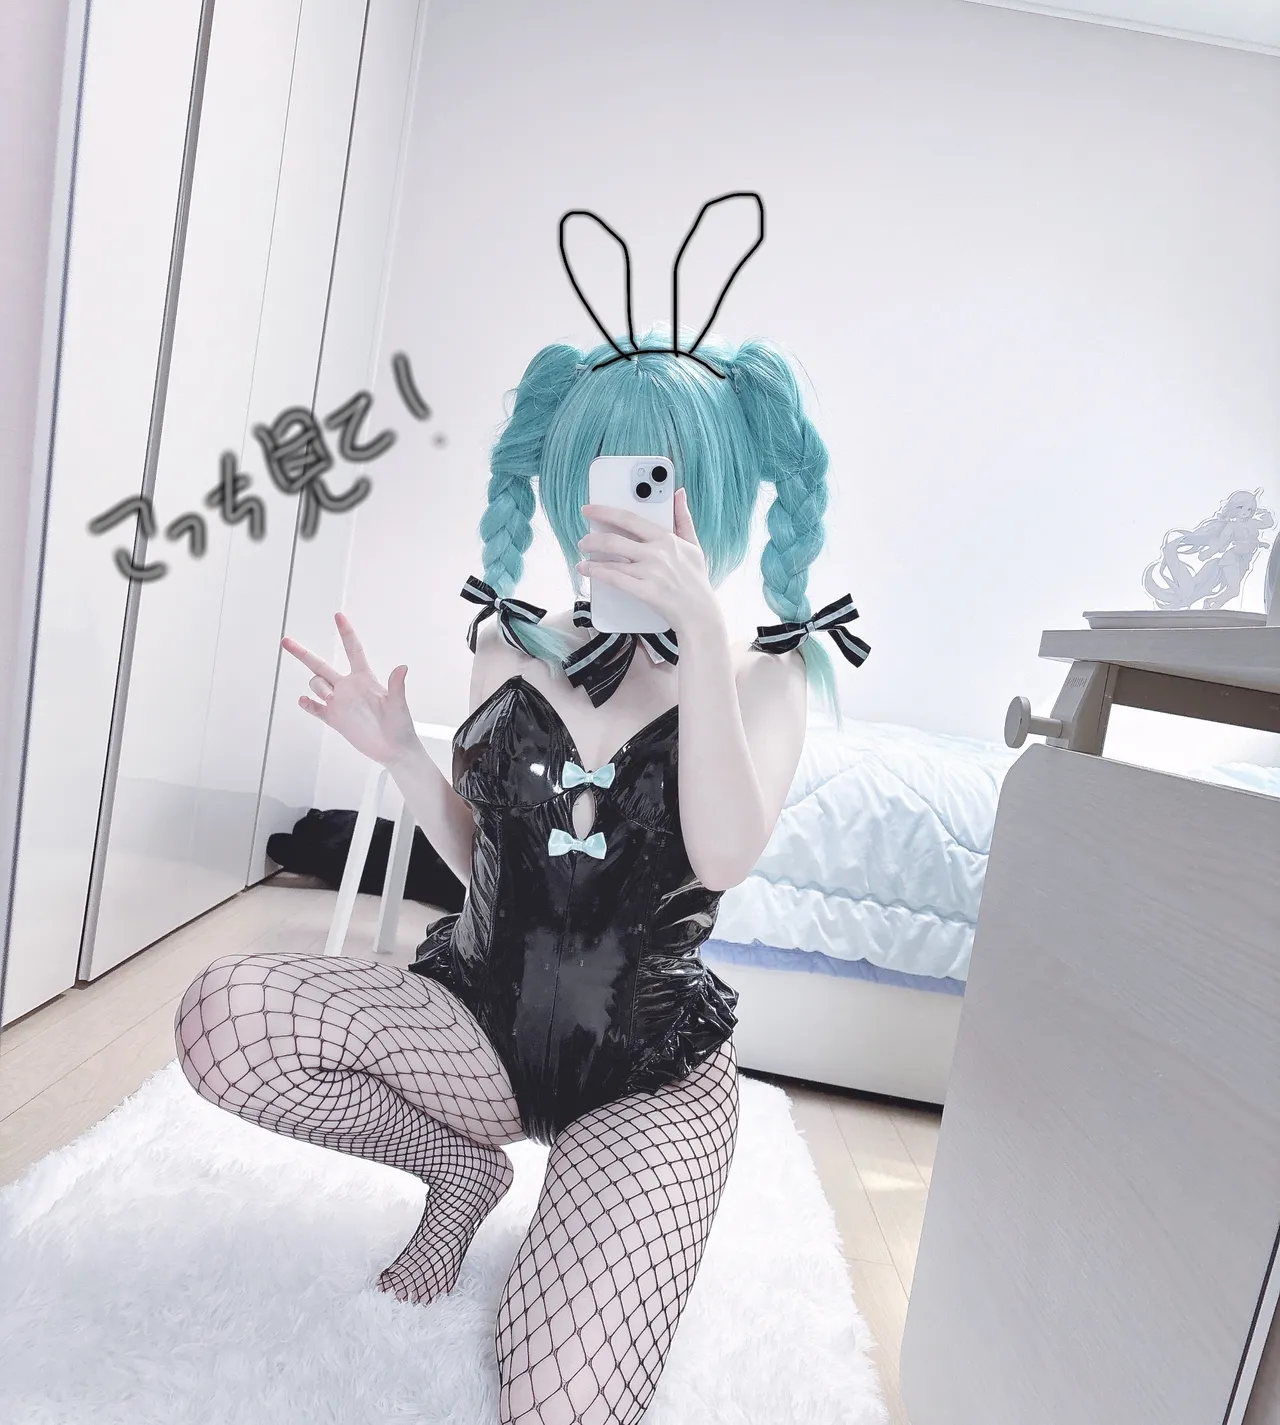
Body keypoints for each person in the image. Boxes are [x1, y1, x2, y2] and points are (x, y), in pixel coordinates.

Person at [172, 199, 867, 1425]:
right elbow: (485, 862)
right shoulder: (506, 642)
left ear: (713, 490)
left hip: (647, 1071)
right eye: (604, 479)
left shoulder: (765, 674)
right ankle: (458, 1173)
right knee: (224, 1018)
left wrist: (699, 628)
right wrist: (402, 757)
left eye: (657, 483)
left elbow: (720, 854)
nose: (625, 513)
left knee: (559, 1403)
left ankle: (592, 1214)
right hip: (475, 1023)